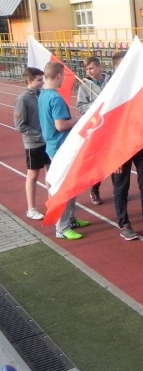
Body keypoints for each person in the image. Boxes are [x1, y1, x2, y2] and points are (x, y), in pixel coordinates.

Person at [111, 51, 143, 242]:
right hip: (120, 147)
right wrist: (114, 155)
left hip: (141, 143)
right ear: (117, 68)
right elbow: (108, 127)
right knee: (121, 186)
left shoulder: (139, 89)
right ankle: (124, 224)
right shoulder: (111, 92)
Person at [38, 61, 89, 240]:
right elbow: (60, 125)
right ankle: (62, 227)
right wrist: (78, 119)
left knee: (69, 184)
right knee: (62, 187)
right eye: (63, 77)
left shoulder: (43, 95)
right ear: (59, 75)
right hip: (60, 146)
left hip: (54, 144)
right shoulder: (55, 98)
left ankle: (70, 219)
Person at [13, 67, 48, 220]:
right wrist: (39, 136)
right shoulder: (23, 99)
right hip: (33, 144)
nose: (42, 82)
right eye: (39, 80)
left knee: (51, 173)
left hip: (47, 141)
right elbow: (20, 125)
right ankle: (31, 209)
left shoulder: (42, 95)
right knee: (33, 175)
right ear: (29, 80)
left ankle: (52, 203)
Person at [77, 57, 110, 204]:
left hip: (112, 124)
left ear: (99, 67)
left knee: (117, 160)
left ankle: (119, 189)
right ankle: (95, 190)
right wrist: (96, 105)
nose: (88, 71)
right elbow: (81, 106)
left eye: (91, 68)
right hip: (97, 127)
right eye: (86, 69)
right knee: (98, 162)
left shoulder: (111, 81)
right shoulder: (84, 85)